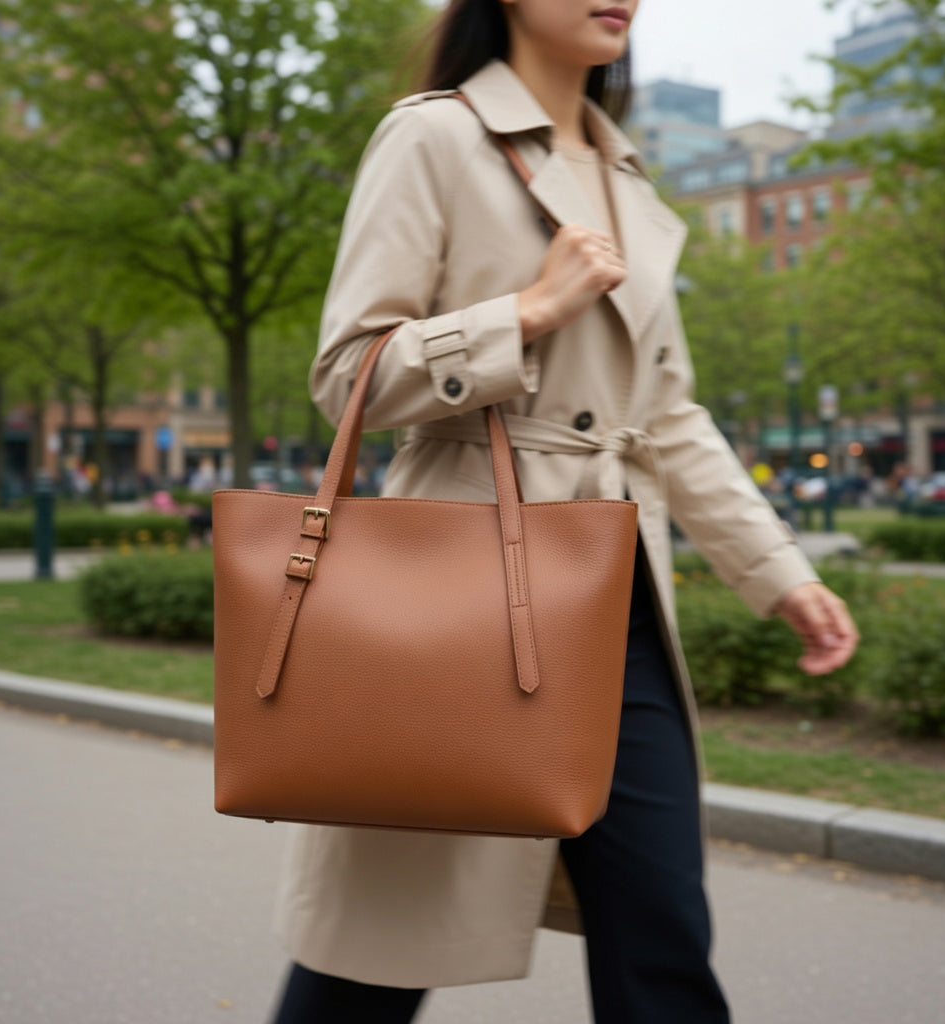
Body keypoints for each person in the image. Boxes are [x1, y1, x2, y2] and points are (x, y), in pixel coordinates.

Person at [268, 1, 859, 1021]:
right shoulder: (435, 135)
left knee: (663, 930)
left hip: (616, 602)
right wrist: (526, 313)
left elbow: (665, 416)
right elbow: (347, 374)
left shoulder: (628, 177)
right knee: (380, 948)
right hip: (456, 597)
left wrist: (779, 572)